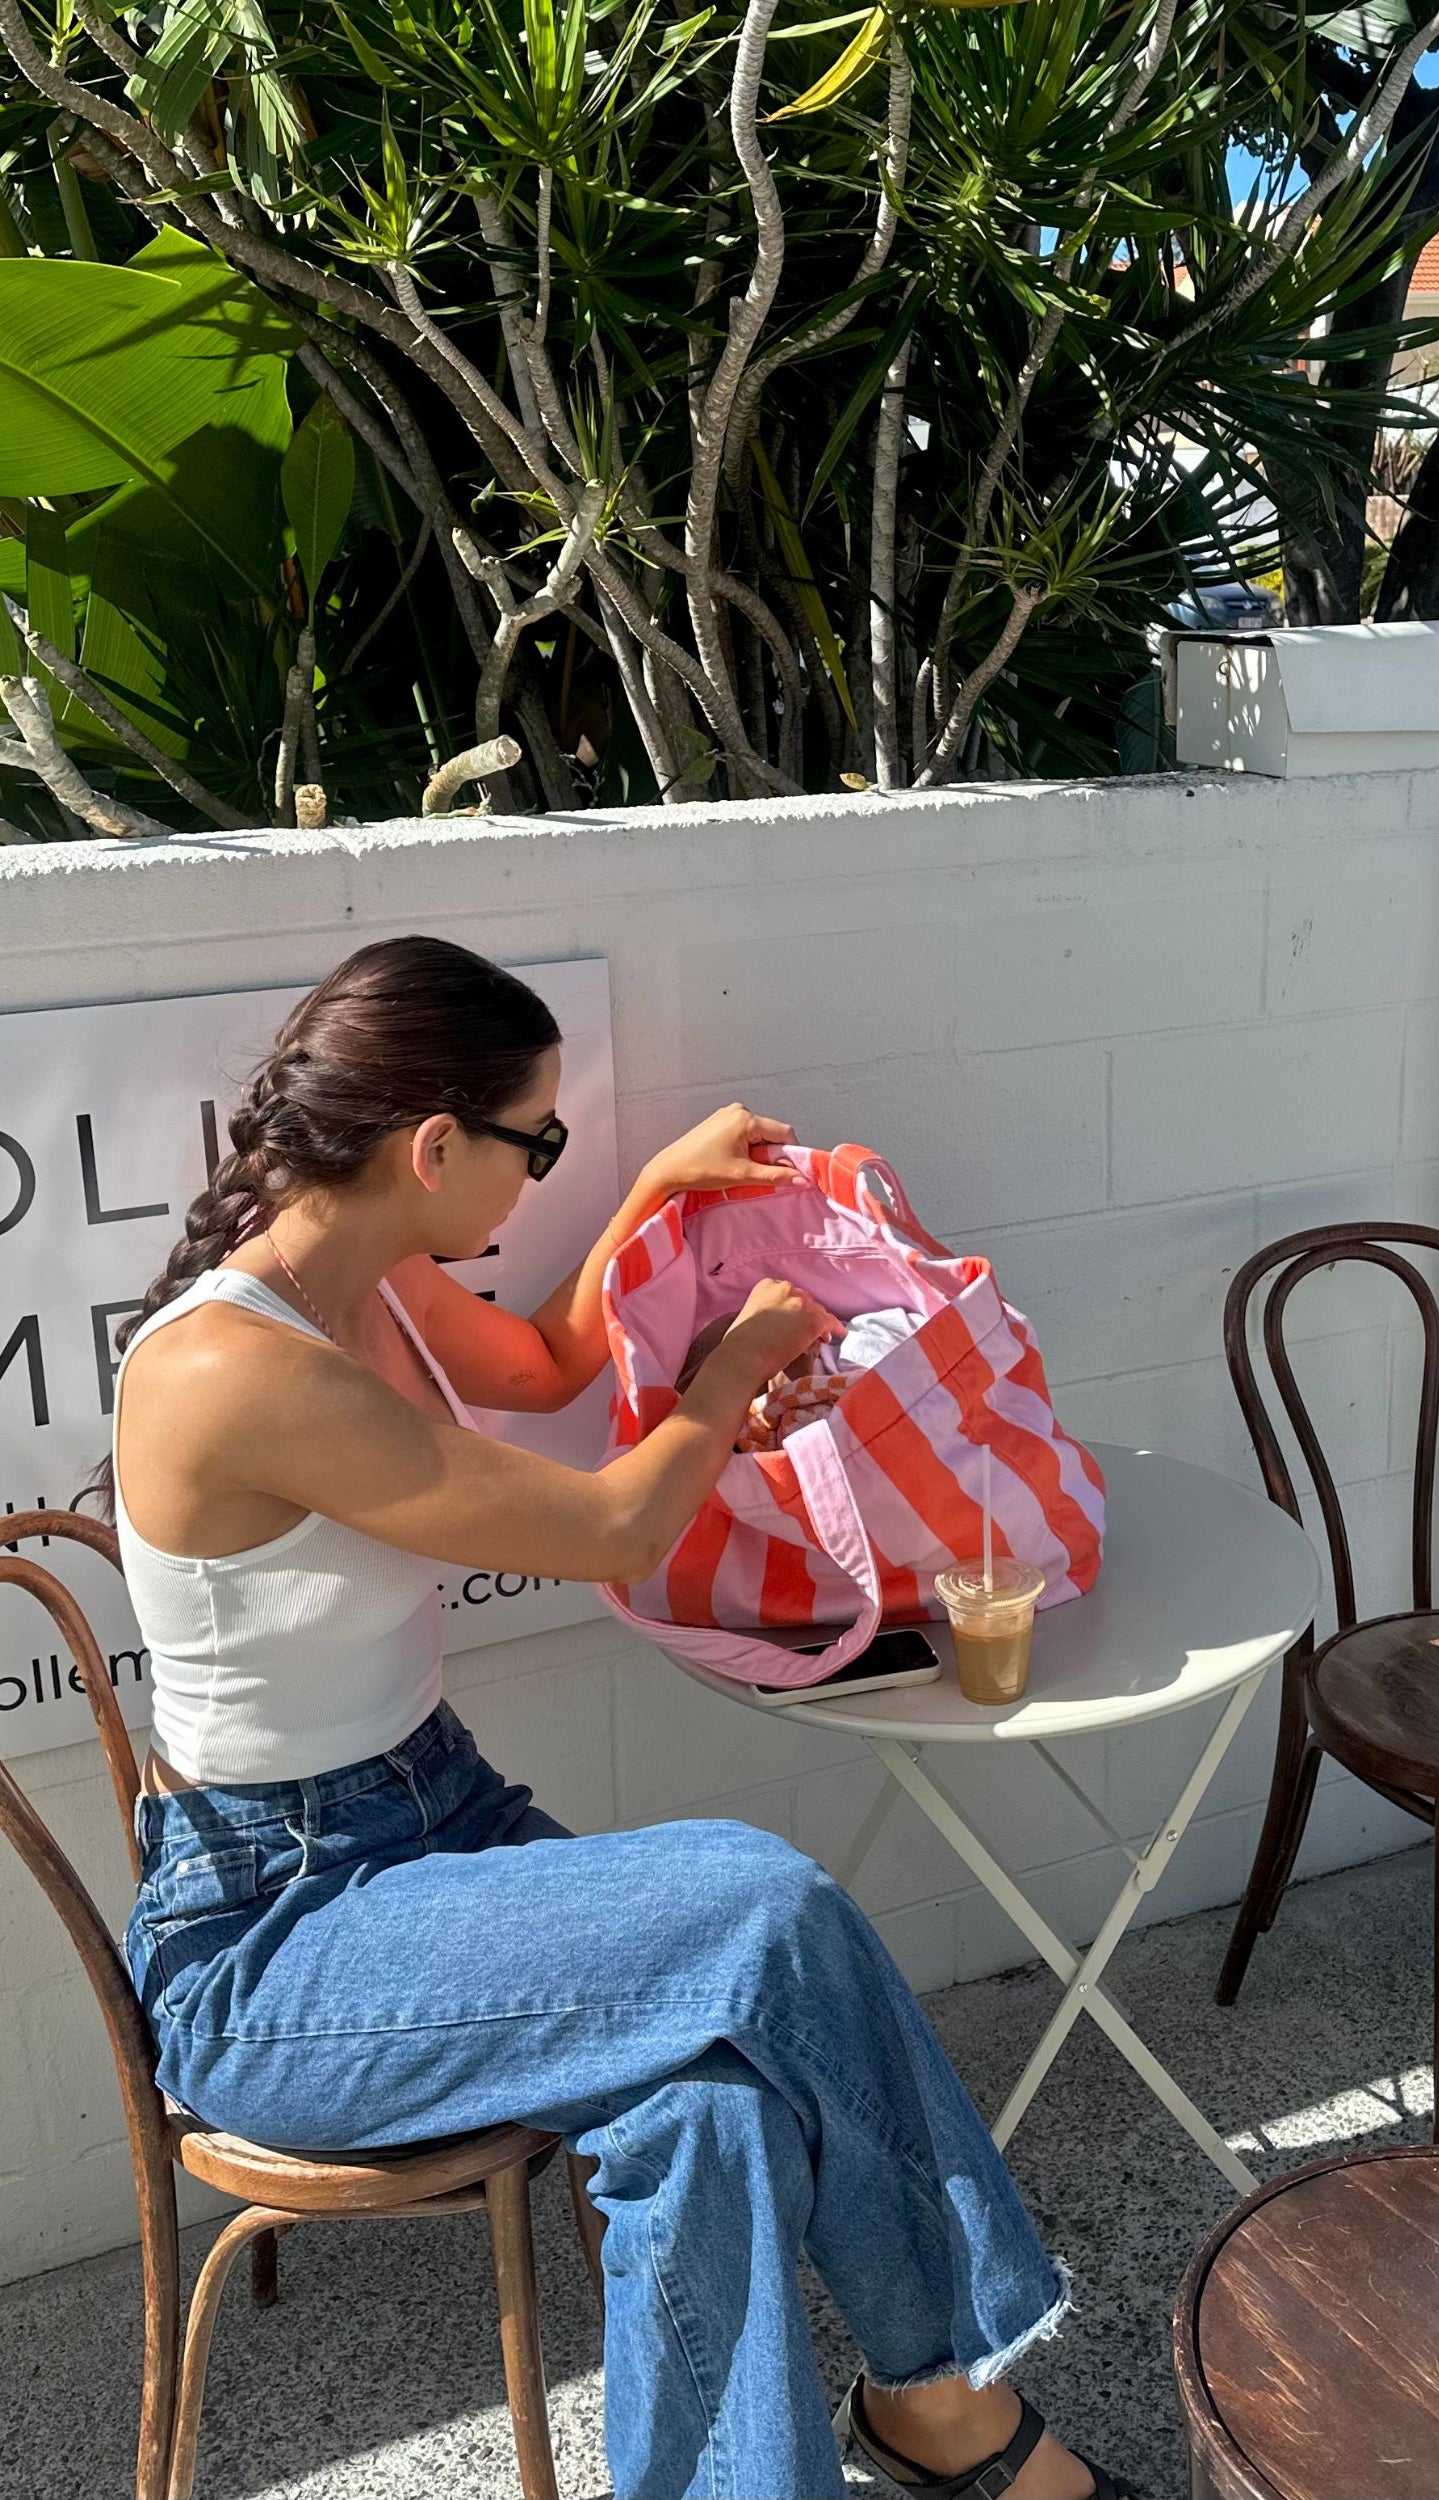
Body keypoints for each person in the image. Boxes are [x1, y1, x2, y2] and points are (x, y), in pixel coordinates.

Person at [108, 934, 1127, 2500]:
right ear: (432, 1146)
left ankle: (853, 2444)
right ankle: (953, 2402)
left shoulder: (366, 1272)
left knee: (711, 2105)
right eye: (540, 1141)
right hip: (279, 1941)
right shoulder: (242, 1370)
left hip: (428, 1826)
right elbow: (609, 1531)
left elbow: (545, 1360)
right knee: (765, 1904)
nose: (540, 1180)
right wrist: (731, 1377)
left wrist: (657, 1183)